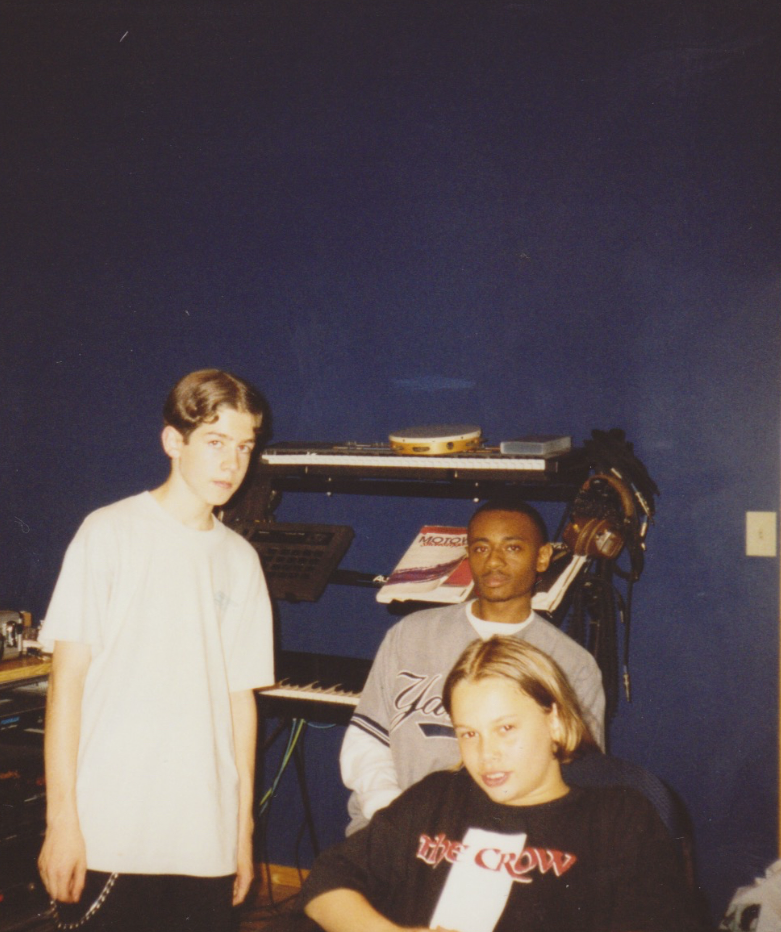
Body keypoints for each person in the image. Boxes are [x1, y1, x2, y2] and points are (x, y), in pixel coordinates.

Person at [37, 369, 275, 932]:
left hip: (205, 835)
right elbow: (66, 682)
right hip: (110, 830)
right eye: (215, 443)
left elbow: (242, 703)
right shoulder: (109, 532)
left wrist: (241, 832)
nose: (231, 464)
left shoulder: (241, 560)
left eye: (243, 448)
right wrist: (61, 818)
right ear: (174, 442)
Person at [299, 637, 706, 932]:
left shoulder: (617, 819)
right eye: (468, 733)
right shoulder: (436, 797)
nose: (485, 754)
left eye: (505, 728)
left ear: (555, 721)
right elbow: (328, 878)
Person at [340, 500, 605, 834]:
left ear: (541, 558)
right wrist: (393, 814)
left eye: (512, 547)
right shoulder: (410, 634)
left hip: (500, 835)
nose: (494, 561)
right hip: (393, 821)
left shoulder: (572, 664)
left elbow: (578, 779)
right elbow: (366, 742)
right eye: (481, 548)